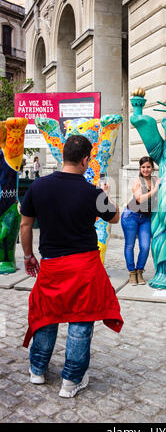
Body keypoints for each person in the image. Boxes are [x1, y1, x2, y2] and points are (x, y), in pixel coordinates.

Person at [20, 134, 123, 398]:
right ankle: (71, 381)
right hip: (84, 267)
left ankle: (37, 370)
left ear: (64, 155)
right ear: (86, 160)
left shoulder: (39, 186)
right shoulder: (93, 192)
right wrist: (107, 196)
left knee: (46, 316)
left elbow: (25, 225)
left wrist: (28, 255)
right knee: (81, 320)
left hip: (52, 266)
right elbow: (115, 218)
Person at [121, 156, 160, 286]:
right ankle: (132, 273)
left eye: (148, 167)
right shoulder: (137, 180)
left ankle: (139, 271)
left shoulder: (156, 180)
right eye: (143, 167)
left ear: (152, 168)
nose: (146, 169)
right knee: (130, 245)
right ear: (140, 168)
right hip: (131, 216)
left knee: (145, 247)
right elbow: (139, 199)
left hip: (145, 218)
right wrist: (154, 190)